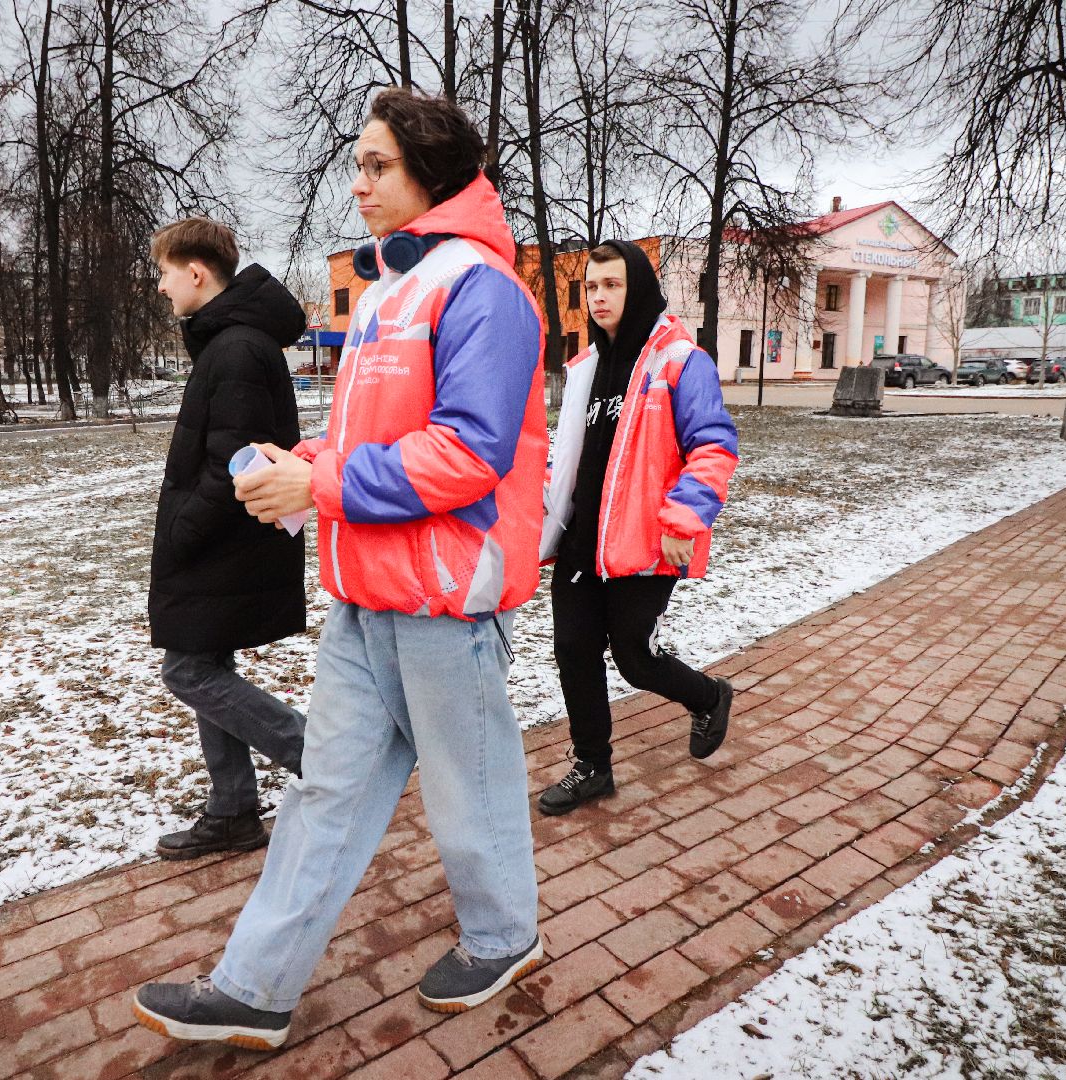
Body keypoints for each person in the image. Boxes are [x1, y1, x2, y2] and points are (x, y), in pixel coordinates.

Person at [133, 88, 547, 1050]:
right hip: (364, 594)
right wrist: (304, 465)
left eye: (378, 165)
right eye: (357, 163)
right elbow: (366, 436)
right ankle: (253, 988)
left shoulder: (482, 289)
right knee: (325, 789)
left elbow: (470, 453)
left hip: (446, 594)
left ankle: (504, 935)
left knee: (469, 791)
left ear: (432, 174)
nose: (357, 182)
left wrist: (324, 490)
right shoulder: (391, 290)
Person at [535, 239, 740, 816]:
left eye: (612, 285)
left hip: (644, 542)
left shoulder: (679, 362)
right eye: (591, 288)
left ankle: (708, 695)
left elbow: (714, 447)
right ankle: (592, 767)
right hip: (581, 542)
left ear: (639, 288)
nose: (598, 298)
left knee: (632, 657)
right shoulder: (586, 369)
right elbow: (573, 456)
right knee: (574, 650)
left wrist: (685, 517)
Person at [146, 217, 308, 859]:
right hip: (226, 541)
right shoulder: (228, 341)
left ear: (196, 272)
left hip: (223, 542)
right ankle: (235, 810)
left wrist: (181, 534)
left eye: (164, 273)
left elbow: (233, 463)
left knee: (188, 669)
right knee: (205, 661)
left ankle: (311, 752)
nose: (161, 287)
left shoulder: (237, 347)